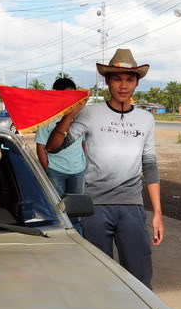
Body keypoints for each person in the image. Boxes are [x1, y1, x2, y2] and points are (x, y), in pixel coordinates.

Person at [45, 49, 164, 289]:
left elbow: (149, 165)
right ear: (107, 80)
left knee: (140, 275)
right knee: (98, 275)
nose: (123, 86)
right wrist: (69, 116)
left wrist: (158, 213)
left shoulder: (146, 119)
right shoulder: (91, 113)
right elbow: (53, 147)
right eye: (117, 79)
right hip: (96, 207)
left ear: (137, 83)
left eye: (130, 79)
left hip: (132, 206)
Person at [35, 77, 87, 234]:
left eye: (72, 97)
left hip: (78, 171)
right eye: (65, 96)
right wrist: (48, 170)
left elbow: (83, 143)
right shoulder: (47, 119)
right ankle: (60, 235)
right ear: (56, 96)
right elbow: (40, 148)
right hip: (56, 171)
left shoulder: (79, 118)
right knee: (58, 208)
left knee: (76, 211)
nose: (69, 101)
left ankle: (77, 237)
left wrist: (84, 163)